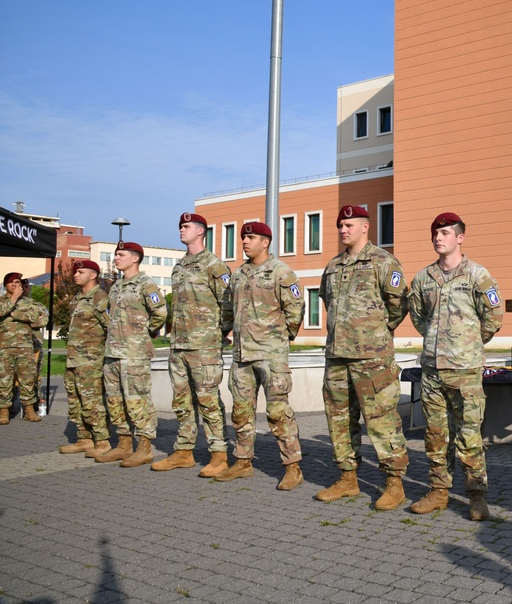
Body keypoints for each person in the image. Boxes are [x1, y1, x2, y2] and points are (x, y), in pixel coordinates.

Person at [407, 212, 503, 520]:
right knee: (436, 435)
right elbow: (419, 317)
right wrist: (438, 338)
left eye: (445, 232)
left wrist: (467, 343)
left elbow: (493, 319)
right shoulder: (423, 279)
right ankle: (438, 491)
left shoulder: (478, 276)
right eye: (435, 232)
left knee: (469, 436)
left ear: (460, 237)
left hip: (465, 371)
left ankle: (476, 496)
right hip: (433, 371)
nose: (438, 237)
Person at [315, 205, 410, 511]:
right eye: (340, 225)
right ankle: (348, 478)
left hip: (372, 359)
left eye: (350, 225)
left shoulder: (383, 261)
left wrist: (378, 336)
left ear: (365, 227)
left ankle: (394, 484)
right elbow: (328, 303)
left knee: (382, 422)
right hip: (337, 356)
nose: (344, 230)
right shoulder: (332, 266)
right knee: (339, 420)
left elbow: (397, 305)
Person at [214, 222, 305, 491]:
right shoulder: (239, 273)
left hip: (271, 355)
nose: (244, 241)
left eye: (250, 237)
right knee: (241, 412)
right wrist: (225, 331)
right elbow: (229, 309)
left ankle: (292, 467)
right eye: (243, 237)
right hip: (242, 355)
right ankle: (242, 462)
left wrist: (280, 339)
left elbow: (295, 309)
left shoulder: (282, 273)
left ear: (265, 242)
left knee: (278, 413)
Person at [151, 213, 232, 477]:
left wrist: (216, 334)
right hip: (179, 346)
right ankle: (184, 452)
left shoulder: (215, 266)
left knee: (208, 400)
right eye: (180, 227)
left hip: (204, 347)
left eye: (186, 227)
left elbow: (228, 304)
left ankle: (219, 454)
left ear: (200, 231)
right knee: (181, 401)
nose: (181, 230)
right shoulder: (179, 266)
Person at [95, 242, 168, 466]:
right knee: (115, 401)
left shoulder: (146, 284)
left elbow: (160, 312)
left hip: (134, 353)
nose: (116, 258)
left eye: (121, 254)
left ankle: (144, 447)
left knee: (137, 400)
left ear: (135, 258)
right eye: (116, 254)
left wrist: (144, 332)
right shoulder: (116, 286)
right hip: (113, 352)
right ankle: (124, 444)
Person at [59, 260, 111, 454]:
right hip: (73, 359)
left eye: (80, 272)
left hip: (91, 361)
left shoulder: (100, 298)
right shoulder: (77, 298)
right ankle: (84, 438)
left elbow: (110, 327)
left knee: (92, 402)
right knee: (75, 400)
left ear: (93, 275)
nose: (75, 275)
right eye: (75, 272)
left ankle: (102, 441)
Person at [0, 272, 49, 423]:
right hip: (4, 346)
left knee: (28, 379)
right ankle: (3, 411)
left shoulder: (29, 302)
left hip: (25, 346)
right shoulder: (1, 301)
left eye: (18, 282)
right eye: (12, 282)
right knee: (4, 379)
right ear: (5, 285)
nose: (15, 285)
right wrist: (13, 299)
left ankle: (29, 410)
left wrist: (13, 314)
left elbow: (37, 317)